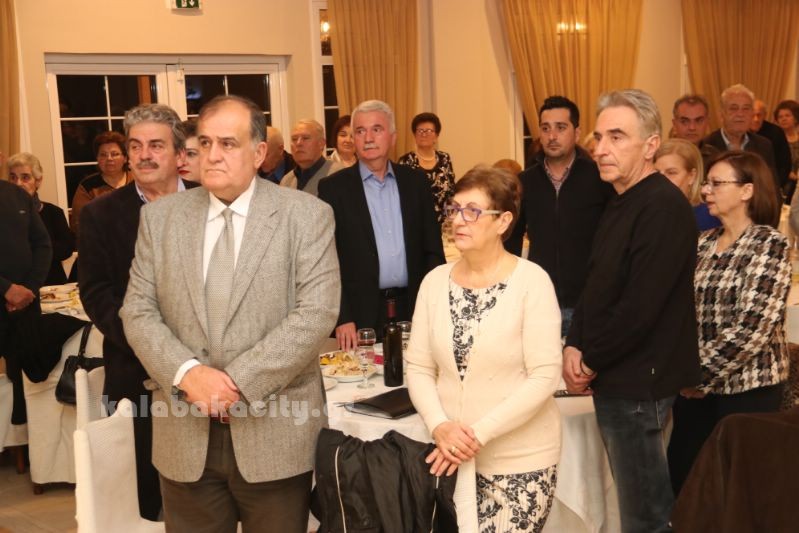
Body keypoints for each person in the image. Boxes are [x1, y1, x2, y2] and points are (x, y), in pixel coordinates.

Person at [120, 95, 340, 533]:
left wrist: (234, 386)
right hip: (184, 434)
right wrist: (188, 375)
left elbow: (316, 313)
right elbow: (137, 311)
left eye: (228, 143)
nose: (213, 155)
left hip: (275, 432)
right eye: (205, 143)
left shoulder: (306, 215)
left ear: (259, 153)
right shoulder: (160, 219)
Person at [563, 89, 701, 533]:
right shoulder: (621, 199)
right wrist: (574, 343)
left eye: (617, 137)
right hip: (618, 374)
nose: (600, 148)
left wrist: (589, 360)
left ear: (650, 145)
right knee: (635, 505)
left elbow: (640, 307)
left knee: (646, 515)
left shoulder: (662, 206)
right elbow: (597, 283)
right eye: (598, 137)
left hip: (639, 381)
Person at [406, 166, 562, 532]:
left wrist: (477, 434)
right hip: (450, 459)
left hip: (520, 461)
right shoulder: (434, 282)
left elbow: (544, 376)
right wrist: (439, 425)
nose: (458, 220)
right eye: (454, 209)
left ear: (503, 221)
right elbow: (419, 367)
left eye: (473, 211)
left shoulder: (532, 282)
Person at [79, 103, 196, 520]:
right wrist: (151, 344)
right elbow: (96, 293)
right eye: (136, 146)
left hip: (210, 372)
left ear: (179, 153)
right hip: (136, 373)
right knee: (146, 500)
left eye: (156, 145)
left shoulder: (211, 203)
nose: (144, 155)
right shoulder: (99, 214)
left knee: (206, 494)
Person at [667, 150, 789, 496]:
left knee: (738, 490)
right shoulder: (703, 242)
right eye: (706, 183)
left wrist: (698, 375)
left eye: (717, 183)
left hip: (748, 391)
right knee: (685, 480)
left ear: (747, 191)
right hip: (695, 389)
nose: (706, 191)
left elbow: (753, 327)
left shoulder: (768, 244)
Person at [319, 100, 445, 350]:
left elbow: (433, 250)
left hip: (414, 306)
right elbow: (326, 261)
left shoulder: (416, 183)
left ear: (393, 137)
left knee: (416, 371)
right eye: (360, 131)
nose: (368, 138)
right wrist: (342, 316)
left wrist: (433, 304)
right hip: (360, 315)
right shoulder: (333, 189)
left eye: (376, 129)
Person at [506, 96, 614, 337]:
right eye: (545, 128)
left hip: (589, 304)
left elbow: (614, 241)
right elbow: (511, 240)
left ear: (577, 133)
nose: (552, 136)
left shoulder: (600, 178)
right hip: (539, 303)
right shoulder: (525, 181)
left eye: (561, 127)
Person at [0, 178, 51, 428]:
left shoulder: (18, 195)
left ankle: (27, 441)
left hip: (25, 307)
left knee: (29, 381)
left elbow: (43, 245)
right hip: (11, 297)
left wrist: (28, 289)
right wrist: (6, 289)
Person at [703, 85, 780, 217]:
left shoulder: (764, 145)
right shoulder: (706, 146)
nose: (740, 114)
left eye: (746, 108)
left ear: (752, 114)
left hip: (756, 220)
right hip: (716, 220)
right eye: (733, 108)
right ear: (721, 114)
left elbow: (772, 190)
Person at [7, 152, 75, 285]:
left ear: (38, 181)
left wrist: (33, 246)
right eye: (13, 177)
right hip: (12, 287)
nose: (18, 183)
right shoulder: (3, 214)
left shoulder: (54, 212)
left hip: (52, 286)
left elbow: (66, 249)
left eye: (25, 177)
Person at [70, 130, 132, 237]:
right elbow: (79, 224)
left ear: (125, 158)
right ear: (97, 159)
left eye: (115, 154)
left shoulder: (140, 182)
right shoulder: (87, 186)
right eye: (103, 155)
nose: (109, 159)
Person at [398, 112, 456, 222]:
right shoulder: (405, 161)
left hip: (443, 222)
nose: (424, 134)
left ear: (436, 136)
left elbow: (451, 192)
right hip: (416, 221)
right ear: (414, 135)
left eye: (429, 131)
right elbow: (401, 196)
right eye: (420, 131)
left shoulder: (445, 158)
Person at [654, 138, 720, 231]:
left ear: (692, 176)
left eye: (671, 172)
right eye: (656, 172)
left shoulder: (708, 216)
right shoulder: (646, 211)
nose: (661, 179)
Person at [280, 119, 342, 195]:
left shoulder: (340, 175)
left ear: (321, 143)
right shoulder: (286, 181)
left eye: (305, 138)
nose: (298, 143)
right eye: (294, 139)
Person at [751, 98, 793, 200]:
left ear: (765, 115)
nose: (756, 119)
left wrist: (776, 186)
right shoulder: (740, 131)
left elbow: (785, 163)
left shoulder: (776, 132)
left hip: (771, 186)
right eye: (753, 115)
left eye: (759, 115)